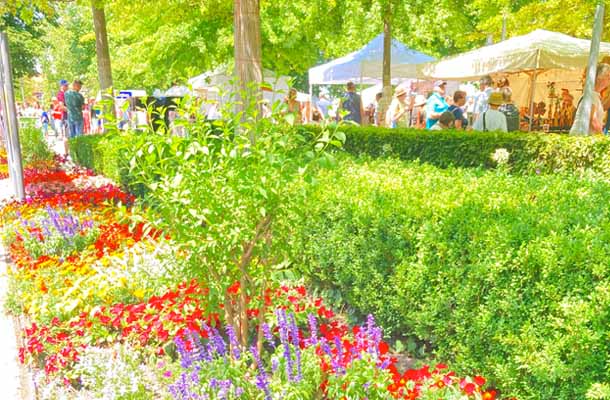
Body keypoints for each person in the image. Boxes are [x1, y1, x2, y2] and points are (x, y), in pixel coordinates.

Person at [571, 63, 610, 135]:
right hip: (581, 138)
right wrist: (602, 136)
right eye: (607, 76)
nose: (609, 79)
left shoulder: (594, 95)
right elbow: (593, 120)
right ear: (599, 78)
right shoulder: (591, 95)